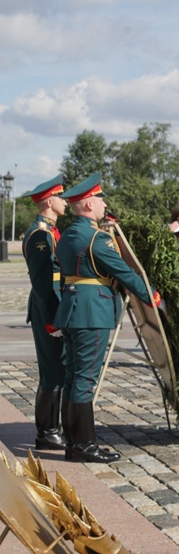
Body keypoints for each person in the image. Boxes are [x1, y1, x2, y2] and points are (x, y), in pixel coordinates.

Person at [55, 173, 158, 463]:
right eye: (99, 199)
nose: (104, 203)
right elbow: (124, 273)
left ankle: (73, 443)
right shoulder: (97, 238)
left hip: (72, 309)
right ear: (88, 205)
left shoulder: (68, 236)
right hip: (93, 312)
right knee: (85, 379)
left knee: (73, 376)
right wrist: (155, 297)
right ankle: (84, 446)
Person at [22, 175, 68, 451]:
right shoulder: (41, 234)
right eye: (61, 197)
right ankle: (47, 432)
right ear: (49, 201)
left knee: (57, 370)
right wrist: (53, 321)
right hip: (46, 308)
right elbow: (42, 283)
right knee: (52, 371)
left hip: (51, 305)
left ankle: (51, 429)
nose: (65, 202)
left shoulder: (49, 231)